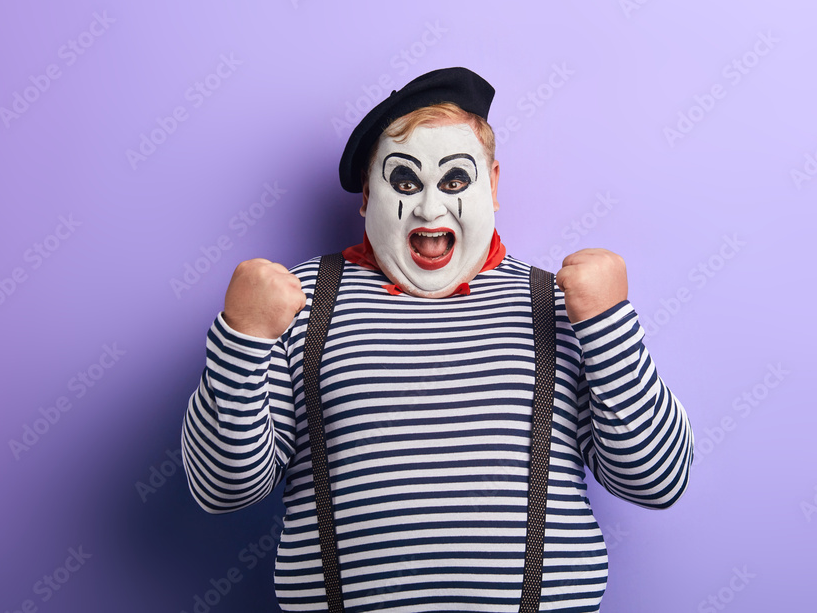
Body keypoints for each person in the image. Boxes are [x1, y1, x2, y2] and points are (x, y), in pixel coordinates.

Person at [181, 67, 694, 612]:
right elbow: (221, 490)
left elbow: (656, 482)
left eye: (453, 181)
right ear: (365, 195)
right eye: (404, 182)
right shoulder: (296, 302)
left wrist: (610, 324)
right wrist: (242, 339)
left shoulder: (563, 305)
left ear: (492, 185)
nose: (429, 209)